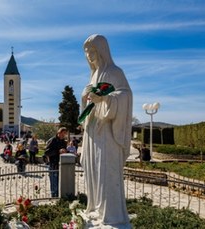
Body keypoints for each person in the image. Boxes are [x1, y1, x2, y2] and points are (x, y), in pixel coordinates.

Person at [80, 34, 132, 227]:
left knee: (105, 172)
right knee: (92, 169)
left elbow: (125, 96)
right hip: (93, 131)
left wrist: (105, 99)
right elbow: (88, 101)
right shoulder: (93, 74)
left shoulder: (114, 72)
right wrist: (85, 96)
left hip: (107, 134)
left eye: (92, 52)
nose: (89, 56)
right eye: (86, 53)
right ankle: (95, 209)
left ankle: (110, 215)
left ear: (102, 51)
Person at [44, 127, 68, 197]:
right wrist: (58, 151)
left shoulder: (63, 142)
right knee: (54, 184)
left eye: (65, 134)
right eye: (63, 134)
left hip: (61, 165)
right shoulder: (52, 140)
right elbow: (46, 152)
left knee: (60, 183)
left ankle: (59, 198)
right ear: (59, 133)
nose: (64, 136)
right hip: (53, 165)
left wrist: (65, 151)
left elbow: (64, 151)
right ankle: (54, 197)